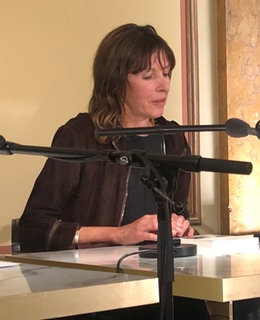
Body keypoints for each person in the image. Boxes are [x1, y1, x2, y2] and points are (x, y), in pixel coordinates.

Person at [18, 23, 210, 320]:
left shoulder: (173, 138)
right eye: (149, 76)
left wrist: (180, 227)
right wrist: (120, 234)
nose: (164, 85)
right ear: (117, 81)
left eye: (167, 73)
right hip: (96, 290)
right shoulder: (80, 136)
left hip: (165, 281)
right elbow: (34, 229)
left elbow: (177, 211)